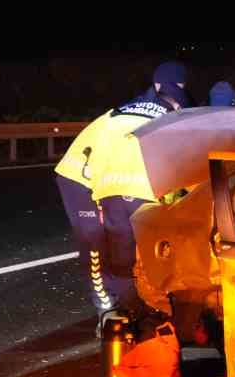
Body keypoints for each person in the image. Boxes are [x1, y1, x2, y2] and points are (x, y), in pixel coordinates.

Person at [53, 62, 191, 318]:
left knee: (124, 240)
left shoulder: (141, 109)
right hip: (79, 176)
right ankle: (106, 304)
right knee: (96, 239)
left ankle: (126, 299)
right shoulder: (162, 121)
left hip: (108, 171)